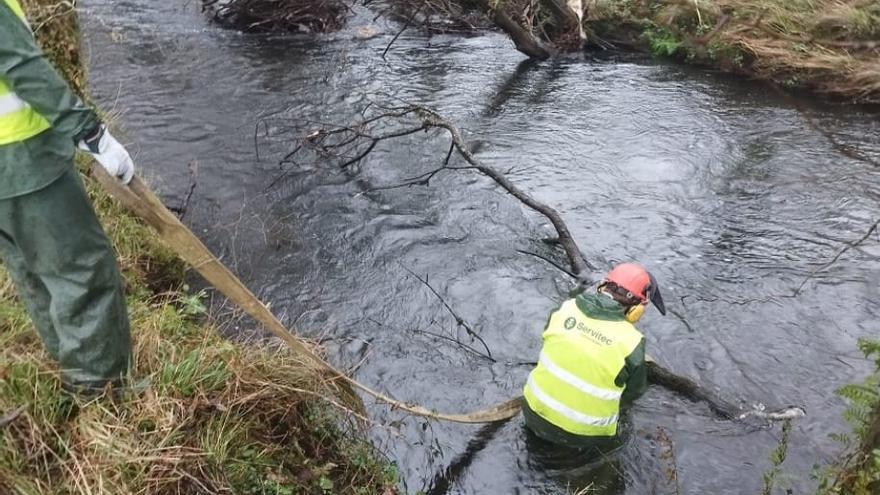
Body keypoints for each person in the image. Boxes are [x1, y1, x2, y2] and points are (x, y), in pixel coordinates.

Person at [1, 0, 136, 395]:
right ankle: (100, 391)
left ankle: (73, 365)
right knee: (82, 272)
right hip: (23, 164)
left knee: (34, 271)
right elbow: (20, 66)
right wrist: (90, 133)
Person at [522, 263, 666, 451]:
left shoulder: (565, 309)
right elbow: (633, 393)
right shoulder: (632, 342)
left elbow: (551, 338)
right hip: (583, 439)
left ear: (603, 286)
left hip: (532, 414)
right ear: (636, 309)